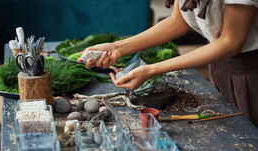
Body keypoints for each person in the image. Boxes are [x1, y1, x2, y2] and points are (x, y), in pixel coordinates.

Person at [78, 0, 258, 127]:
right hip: (218, 65)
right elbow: (177, 23)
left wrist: (151, 70)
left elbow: (230, 43)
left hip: (251, 73)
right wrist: (117, 48)